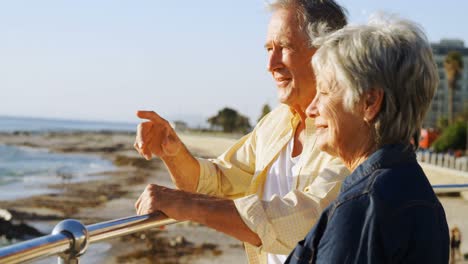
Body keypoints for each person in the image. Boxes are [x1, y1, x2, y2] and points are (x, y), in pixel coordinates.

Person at [134, 1, 349, 263]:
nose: (271, 63)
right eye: (269, 49)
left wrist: (187, 205)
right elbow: (216, 182)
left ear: (326, 53)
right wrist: (172, 152)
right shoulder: (274, 123)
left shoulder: (352, 127)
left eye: (285, 47)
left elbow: (309, 218)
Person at [285, 14, 450, 263]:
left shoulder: (364, 207)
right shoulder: (417, 193)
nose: (311, 109)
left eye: (324, 91)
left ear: (369, 102)